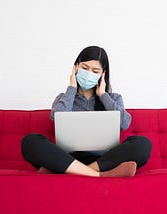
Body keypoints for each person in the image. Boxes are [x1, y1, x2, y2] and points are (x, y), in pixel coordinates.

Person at [21, 46, 152, 177]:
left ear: (103, 74)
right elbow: (57, 117)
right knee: (30, 141)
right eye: (84, 68)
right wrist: (72, 88)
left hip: (103, 160)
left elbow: (124, 123)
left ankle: (73, 172)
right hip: (67, 158)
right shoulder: (64, 98)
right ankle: (99, 175)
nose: (89, 73)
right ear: (76, 68)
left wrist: (103, 95)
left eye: (95, 71)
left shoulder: (113, 98)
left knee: (143, 144)